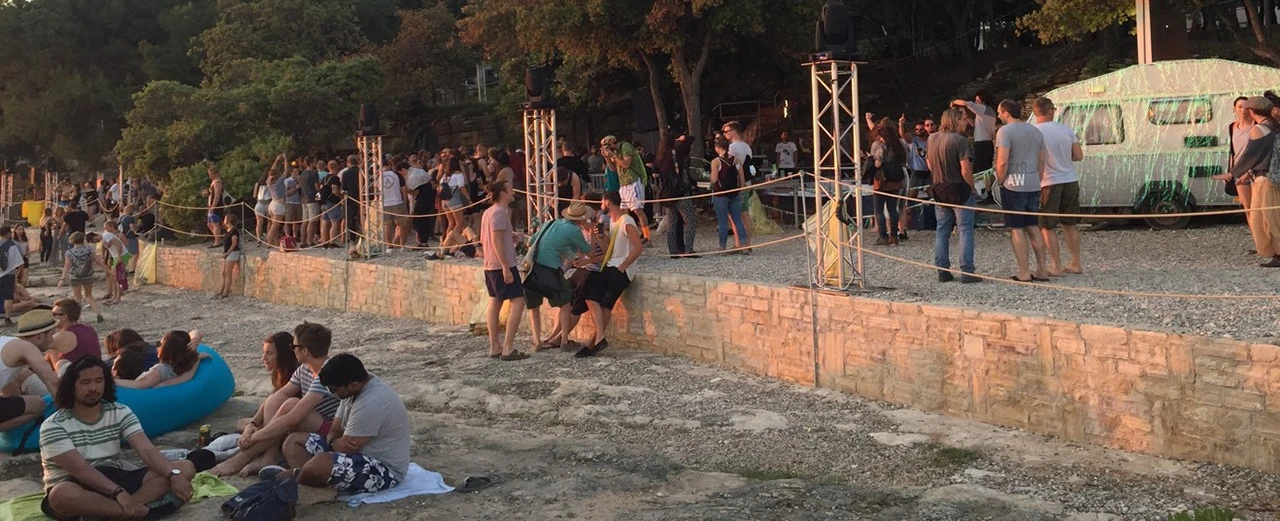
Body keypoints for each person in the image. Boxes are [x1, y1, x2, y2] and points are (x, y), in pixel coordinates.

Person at [38, 357, 195, 521]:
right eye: (85, 382)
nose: (93, 388)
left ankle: (123, 512)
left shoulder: (119, 412)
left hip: (114, 475)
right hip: (77, 483)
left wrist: (173, 475)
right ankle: (141, 512)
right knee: (62, 494)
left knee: (185, 468)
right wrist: (118, 492)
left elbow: (146, 449)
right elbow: (80, 469)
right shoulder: (54, 425)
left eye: (99, 381)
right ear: (71, 387)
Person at [265, 354, 409, 497]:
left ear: (352, 385)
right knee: (293, 442)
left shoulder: (371, 402)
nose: (332, 394)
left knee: (319, 464)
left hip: (382, 468)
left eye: (334, 390)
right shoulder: (352, 389)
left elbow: (348, 448)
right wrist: (334, 441)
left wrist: (334, 442)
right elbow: (335, 430)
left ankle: (297, 480)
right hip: (353, 452)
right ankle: (307, 479)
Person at [211, 322, 341, 478]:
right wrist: (252, 425)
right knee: (276, 401)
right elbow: (277, 397)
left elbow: (292, 419)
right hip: (312, 423)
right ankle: (268, 456)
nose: (292, 350)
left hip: (331, 432)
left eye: (294, 346)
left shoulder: (326, 374)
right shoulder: (305, 368)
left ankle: (242, 458)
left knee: (292, 405)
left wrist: (253, 437)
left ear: (305, 350)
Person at [578, 191, 643, 358]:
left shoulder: (626, 221)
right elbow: (611, 247)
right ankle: (599, 337)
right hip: (611, 265)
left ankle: (593, 342)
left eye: (602, 202)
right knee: (590, 298)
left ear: (607, 202)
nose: (601, 205)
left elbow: (638, 247)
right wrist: (600, 237)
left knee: (606, 304)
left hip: (621, 269)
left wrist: (623, 266)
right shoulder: (613, 222)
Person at [994, 99, 1052, 282]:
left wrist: (1000, 180)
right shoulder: (1035, 131)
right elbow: (1041, 160)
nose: (998, 115)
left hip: (1013, 183)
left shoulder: (1005, 131)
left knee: (1017, 228)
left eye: (999, 112)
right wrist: (1038, 180)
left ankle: (1024, 272)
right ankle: (1042, 269)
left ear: (1006, 112)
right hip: (1033, 182)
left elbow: (1002, 161)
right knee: (1033, 226)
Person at [525, 204, 593, 351]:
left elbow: (530, 242)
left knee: (534, 305)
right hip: (550, 269)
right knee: (566, 301)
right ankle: (564, 341)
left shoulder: (550, 223)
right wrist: (591, 232)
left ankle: (537, 341)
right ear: (581, 219)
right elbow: (589, 251)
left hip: (533, 268)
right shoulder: (574, 230)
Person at [1223, 96, 1280, 266]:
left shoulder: (1259, 129)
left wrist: (1232, 173)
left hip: (1264, 179)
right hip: (1271, 177)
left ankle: (1278, 254)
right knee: (1271, 216)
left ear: (1252, 111)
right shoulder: (1273, 125)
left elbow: (1251, 155)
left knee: (1266, 218)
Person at [1032, 97, 1086, 276]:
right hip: (1070, 179)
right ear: (1050, 111)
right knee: (1069, 223)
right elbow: (1078, 155)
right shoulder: (1066, 130)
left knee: (1047, 226)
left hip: (1048, 182)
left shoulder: (1034, 132)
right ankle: (1076, 262)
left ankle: (1056, 265)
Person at [929, 108, 981, 284]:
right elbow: (965, 169)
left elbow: (929, 163)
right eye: (963, 119)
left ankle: (942, 270)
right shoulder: (960, 140)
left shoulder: (932, 138)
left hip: (939, 187)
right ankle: (967, 270)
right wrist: (972, 187)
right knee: (965, 229)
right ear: (956, 120)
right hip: (959, 187)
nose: (966, 123)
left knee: (942, 229)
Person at [480, 181, 529, 361]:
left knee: (495, 301)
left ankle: (495, 346)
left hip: (490, 264)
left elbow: (488, 238)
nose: (513, 193)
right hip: (501, 264)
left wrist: (511, 237)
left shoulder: (488, 212)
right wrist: (506, 267)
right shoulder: (500, 213)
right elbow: (496, 240)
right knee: (518, 301)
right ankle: (508, 347)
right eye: (510, 191)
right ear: (502, 193)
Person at [0, 311, 62, 431]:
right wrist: (67, 412)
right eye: (51, 334)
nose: (52, 340)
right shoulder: (26, 347)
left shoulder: (7, 344)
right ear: (39, 337)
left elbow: (8, 388)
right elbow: (52, 381)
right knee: (38, 404)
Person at [234, 332, 299, 435]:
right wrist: (253, 423)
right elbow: (269, 401)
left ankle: (262, 436)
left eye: (269, 353)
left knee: (251, 428)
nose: (263, 358)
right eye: (264, 353)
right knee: (241, 423)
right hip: (274, 416)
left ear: (283, 355)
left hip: (288, 420)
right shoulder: (277, 373)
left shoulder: (295, 376)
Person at [599, 136, 652, 244]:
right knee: (623, 210)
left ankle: (647, 236)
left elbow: (626, 164)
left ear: (612, 143)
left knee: (637, 210)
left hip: (634, 180)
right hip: (623, 183)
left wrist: (613, 155)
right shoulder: (614, 153)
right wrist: (607, 158)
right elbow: (613, 168)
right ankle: (629, 234)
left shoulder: (625, 147)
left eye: (607, 146)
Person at [117, 330, 205, 389]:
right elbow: (197, 332)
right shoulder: (184, 363)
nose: (156, 346)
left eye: (159, 344)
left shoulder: (160, 370)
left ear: (166, 351)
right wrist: (195, 340)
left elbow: (142, 384)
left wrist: (113, 381)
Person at [44, 298, 103, 375]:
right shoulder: (89, 329)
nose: (51, 317)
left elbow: (38, 347)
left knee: (51, 350)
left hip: (77, 376)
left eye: (54, 314)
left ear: (64, 317)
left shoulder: (65, 335)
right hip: (97, 371)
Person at [710, 136, 749, 253]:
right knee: (738, 220)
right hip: (735, 193)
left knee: (722, 221)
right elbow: (742, 177)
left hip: (721, 194)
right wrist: (741, 190)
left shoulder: (716, 162)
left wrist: (710, 177)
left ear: (717, 147)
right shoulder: (736, 160)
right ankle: (744, 245)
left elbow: (714, 179)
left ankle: (722, 247)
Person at [870, 124, 907, 246]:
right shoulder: (899, 146)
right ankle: (894, 235)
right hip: (895, 182)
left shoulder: (880, 147)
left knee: (879, 210)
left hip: (882, 181)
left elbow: (877, 164)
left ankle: (883, 236)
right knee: (893, 209)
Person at [57, 232, 106, 323]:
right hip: (88, 275)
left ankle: (78, 318)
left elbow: (67, 266)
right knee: (89, 295)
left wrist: (62, 279)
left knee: (77, 298)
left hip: (75, 276)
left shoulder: (69, 253)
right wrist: (106, 269)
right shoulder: (89, 249)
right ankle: (98, 313)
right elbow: (97, 260)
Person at [722, 121, 754, 251]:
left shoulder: (732, 148)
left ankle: (738, 244)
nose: (724, 134)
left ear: (733, 131)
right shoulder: (747, 146)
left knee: (735, 215)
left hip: (736, 185)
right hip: (747, 183)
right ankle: (748, 244)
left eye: (726, 132)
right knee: (745, 214)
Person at [898, 115, 931, 238]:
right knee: (911, 198)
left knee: (932, 195)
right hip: (916, 172)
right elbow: (903, 135)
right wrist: (901, 124)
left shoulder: (931, 140)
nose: (919, 131)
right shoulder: (913, 141)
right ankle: (906, 225)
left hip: (928, 172)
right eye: (916, 129)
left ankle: (931, 221)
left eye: (921, 129)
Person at [953, 92, 999, 174]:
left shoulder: (983, 109)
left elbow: (967, 103)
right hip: (988, 144)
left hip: (981, 144)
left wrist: (954, 102)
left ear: (983, 101)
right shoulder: (989, 111)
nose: (975, 102)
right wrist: (966, 115)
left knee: (979, 170)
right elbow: (974, 124)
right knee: (986, 169)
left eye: (977, 100)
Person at [406, 156, 435, 247]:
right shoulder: (422, 174)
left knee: (419, 220)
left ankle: (423, 240)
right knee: (423, 220)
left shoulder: (416, 175)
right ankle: (423, 240)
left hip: (422, 200)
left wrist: (407, 190)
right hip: (426, 199)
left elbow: (415, 191)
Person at [0, 225, 26, 326]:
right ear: (8, 233)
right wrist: (20, 272)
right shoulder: (11, 245)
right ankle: (7, 318)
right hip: (8, 274)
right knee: (8, 297)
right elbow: (19, 261)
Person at [384, 163, 411, 252]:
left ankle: (389, 247)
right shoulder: (396, 174)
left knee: (387, 226)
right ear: (389, 166)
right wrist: (405, 201)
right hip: (397, 201)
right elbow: (403, 188)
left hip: (385, 203)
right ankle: (402, 246)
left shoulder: (378, 176)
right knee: (402, 225)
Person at [100, 220, 127, 305]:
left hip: (120, 256)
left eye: (106, 227)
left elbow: (124, 244)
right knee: (114, 276)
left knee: (118, 277)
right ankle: (114, 295)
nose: (105, 229)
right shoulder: (108, 235)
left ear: (111, 226)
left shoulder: (117, 234)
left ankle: (118, 297)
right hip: (114, 256)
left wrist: (119, 255)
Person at [320, 159, 345, 248]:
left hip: (323, 202)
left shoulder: (324, 178)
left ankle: (324, 242)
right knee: (335, 222)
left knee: (325, 222)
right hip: (332, 202)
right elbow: (334, 190)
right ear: (337, 167)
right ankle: (332, 242)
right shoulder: (335, 178)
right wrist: (341, 196)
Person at [217, 214, 242, 298]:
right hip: (227, 252)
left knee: (228, 272)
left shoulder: (234, 231)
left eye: (225, 219)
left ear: (229, 220)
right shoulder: (228, 231)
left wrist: (227, 253)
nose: (224, 220)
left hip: (232, 252)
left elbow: (234, 244)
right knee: (223, 272)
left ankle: (226, 290)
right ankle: (221, 289)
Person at [300, 157, 321, 247]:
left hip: (304, 198)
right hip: (312, 198)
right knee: (313, 221)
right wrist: (319, 198)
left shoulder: (303, 173)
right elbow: (317, 188)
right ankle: (310, 241)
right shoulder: (314, 173)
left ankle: (303, 241)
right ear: (312, 163)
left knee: (305, 221)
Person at [205, 165, 225, 248]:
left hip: (216, 205)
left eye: (211, 174)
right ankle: (218, 238)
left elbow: (217, 196)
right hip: (211, 204)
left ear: (216, 173)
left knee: (215, 223)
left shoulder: (217, 182)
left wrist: (213, 207)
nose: (210, 175)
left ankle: (217, 241)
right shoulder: (213, 182)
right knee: (209, 224)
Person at [284, 165, 303, 243]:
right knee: (288, 221)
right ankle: (287, 236)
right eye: (295, 172)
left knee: (297, 221)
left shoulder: (301, 180)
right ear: (291, 172)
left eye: (298, 172)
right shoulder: (287, 181)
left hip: (299, 202)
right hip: (290, 202)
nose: (297, 173)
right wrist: (295, 188)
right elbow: (286, 193)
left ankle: (295, 236)